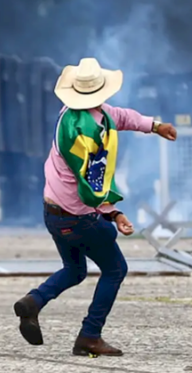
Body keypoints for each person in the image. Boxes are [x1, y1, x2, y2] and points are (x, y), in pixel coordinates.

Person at [12, 58, 178, 357]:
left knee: (75, 270)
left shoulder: (74, 114)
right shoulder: (84, 136)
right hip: (78, 217)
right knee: (115, 269)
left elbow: (121, 116)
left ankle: (33, 302)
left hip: (53, 212)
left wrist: (154, 126)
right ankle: (89, 335)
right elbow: (92, 184)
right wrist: (114, 214)